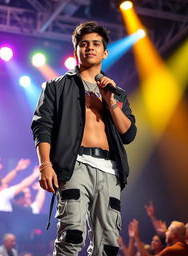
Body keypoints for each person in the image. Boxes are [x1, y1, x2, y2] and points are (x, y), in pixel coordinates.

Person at [31, 21, 136, 256]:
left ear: (105, 52)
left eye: (96, 44)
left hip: (110, 170)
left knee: (108, 245)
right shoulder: (56, 86)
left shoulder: (117, 93)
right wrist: (45, 165)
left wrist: (110, 102)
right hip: (74, 166)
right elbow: (42, 126)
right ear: (76, 50)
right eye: (84, 44)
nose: (89, 48)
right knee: (72, 235)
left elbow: (128, 134)